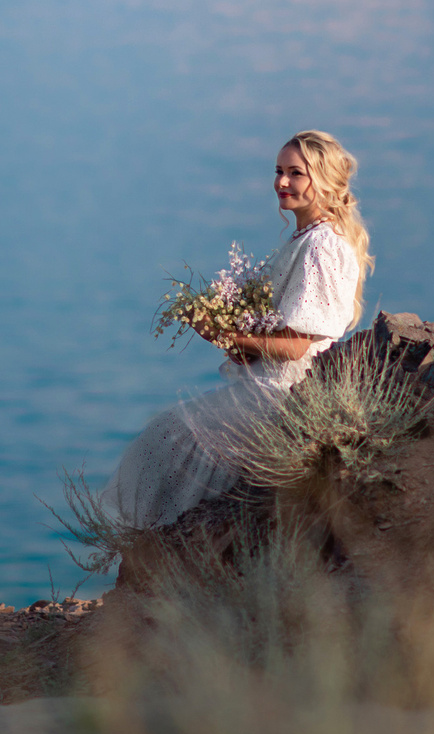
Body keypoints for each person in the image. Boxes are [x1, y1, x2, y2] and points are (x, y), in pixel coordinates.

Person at [98, 129, 373, 530]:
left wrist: (230, 335)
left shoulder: (321, 246)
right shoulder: (307, 238)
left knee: (167, 435)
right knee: (167, 436)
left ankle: (154, 545)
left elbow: (299, 347)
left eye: (296, 173)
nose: (281, 182)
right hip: (268, 383)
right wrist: (243, 342)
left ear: (325, 180)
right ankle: (160, 545)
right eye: (278, 171)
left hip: (282, 394)